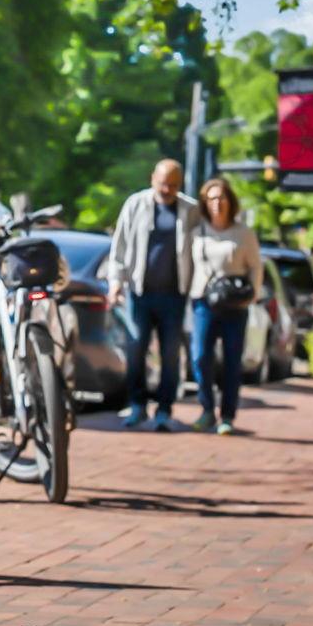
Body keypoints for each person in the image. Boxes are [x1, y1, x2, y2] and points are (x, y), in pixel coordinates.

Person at [106, 158, 197, 431]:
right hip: (140, 293)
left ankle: (164, 410)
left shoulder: (190, 210)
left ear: (180, 185)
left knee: (170, 355)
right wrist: (115, 282)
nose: (167, 189)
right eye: (162, 183)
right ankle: (137, 405)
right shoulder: (136, 204)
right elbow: (119, 246)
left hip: (174, 295)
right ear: (152, 179)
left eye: (173, 185)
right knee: (135, 351)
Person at [187, 177, 262, 435]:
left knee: (231, 360)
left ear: (231, 202)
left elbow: (255, 267)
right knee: (200, 357)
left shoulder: (244, 233)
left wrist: (251, 295)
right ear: (205, 204)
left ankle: (227, 415)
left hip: (234, 304)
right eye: (212, 199)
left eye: (222, 198)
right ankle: (207, 409)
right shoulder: (197, 232)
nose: (217, 204)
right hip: (204, 302)